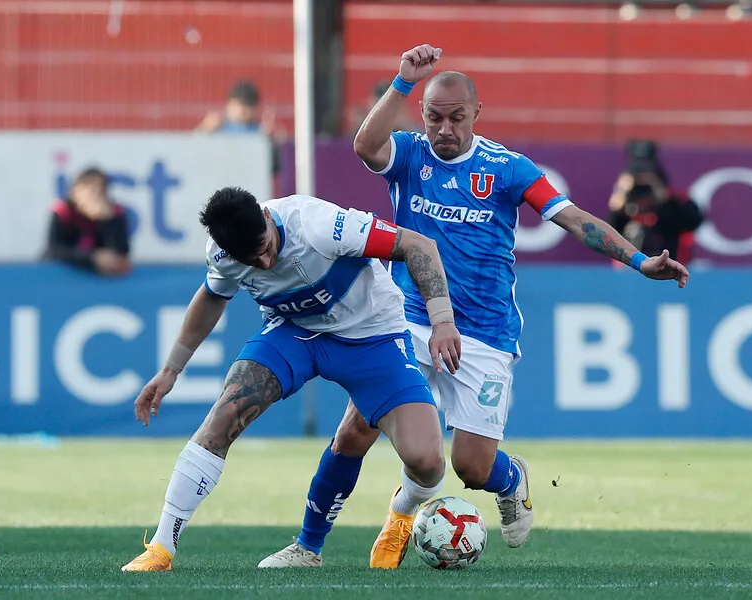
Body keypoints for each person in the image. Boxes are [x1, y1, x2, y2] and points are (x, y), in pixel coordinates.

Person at [258, 44, 690, 571]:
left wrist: (641, 260)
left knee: (471, 467)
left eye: (456, 118)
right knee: (355, 429)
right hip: (408, 318)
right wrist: (401, 82)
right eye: (435, 117)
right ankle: (309, 547)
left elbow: (575, 219)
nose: (445, 129)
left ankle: (507, 481)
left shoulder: (506, 168)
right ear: (423, 115)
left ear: (475, 115)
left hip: (485, 331)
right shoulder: (409, 155)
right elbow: (365, 145)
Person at [121, 186, 462, 571]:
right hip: (294, 334)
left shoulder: (321, 226)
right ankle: (163, 548)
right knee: (224, 414)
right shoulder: (222, 254)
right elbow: (213, 296)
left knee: (427, 461)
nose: (265, 263)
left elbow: (419, 246)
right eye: (252, 260)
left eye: (265, 247)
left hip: (373, 336)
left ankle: (402, 511)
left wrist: (442, 321)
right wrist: (171, 371)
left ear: (267, 217)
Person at [607, 140, 704, 264]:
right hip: (629, 272)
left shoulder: (672, 204)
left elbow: (693, 221)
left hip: (668, 271)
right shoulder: (625, 205)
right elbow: (606, 235)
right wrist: (620, 198)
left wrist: (664, 199)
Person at [42, 167, 131, 276]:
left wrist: (107, 220)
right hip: (61, 275)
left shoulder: (114, 214)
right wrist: (92, 257)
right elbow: (54, 249)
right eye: (90, 191)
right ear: (75, 193)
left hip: (98, 281)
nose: (95, 197)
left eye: (100, 191)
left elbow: (121, 255)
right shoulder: (63, 212)